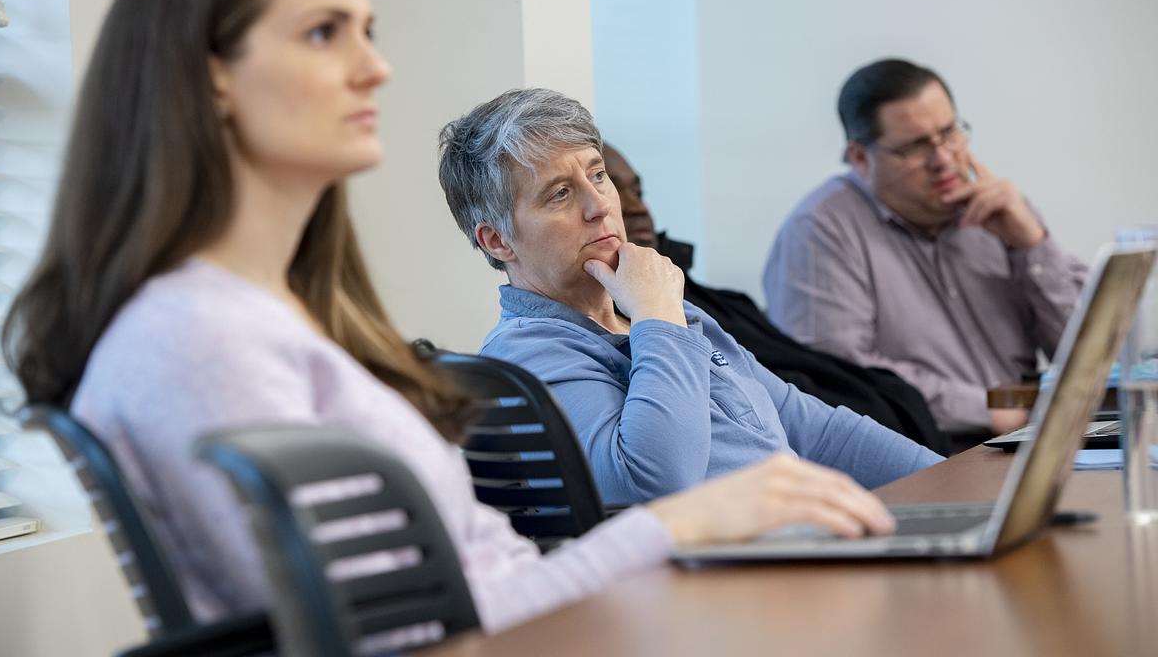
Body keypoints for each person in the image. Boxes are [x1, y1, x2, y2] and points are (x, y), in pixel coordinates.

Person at [2, 0, 901, 638]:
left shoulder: (270, 316)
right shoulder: (197, 339)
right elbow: (414, 633)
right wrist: (684, 522)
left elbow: (469, 590)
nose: (376, 67)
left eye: (367, 31)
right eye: (323, 32)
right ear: (214, 82)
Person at [437, 88, 942, 509]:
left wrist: (953, 483)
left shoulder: (664, 315)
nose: (600, 206)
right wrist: (657, 316)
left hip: (801, 548)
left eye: (597, 175)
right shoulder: (531, 353)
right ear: (497, 241)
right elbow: (653, 484)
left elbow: (816, 430)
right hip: (717, 582)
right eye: (560, 194)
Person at [763, 58, 1087, 437]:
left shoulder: (999, 208)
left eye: (949, 133)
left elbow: (1091, 357)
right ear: (860, 157)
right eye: (916, 146)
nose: (944, 159)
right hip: (926, 446)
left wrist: (1032, 245)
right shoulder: (820, 230)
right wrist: (991, 410)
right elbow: (841, 378)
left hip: (1033, 433)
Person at [601, 143, 950, 455]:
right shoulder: (618, 335)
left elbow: (807, 419)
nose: (637, 208)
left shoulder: (710, 307)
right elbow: (656, 470)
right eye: (613, 192)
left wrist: (934, 474)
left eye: (638, 191)